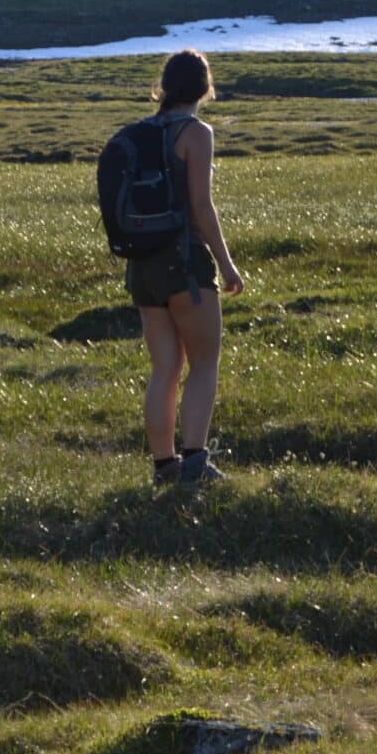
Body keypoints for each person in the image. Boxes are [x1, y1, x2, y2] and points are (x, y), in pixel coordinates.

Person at [129, 49, 245, 486]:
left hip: (143, 267)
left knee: (164, 369)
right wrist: (227, 264)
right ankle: (195, 461)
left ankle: (164, 466)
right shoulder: (195, 133)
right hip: (185, 262)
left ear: (164, 86)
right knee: (204, 362)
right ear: (204, 87)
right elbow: (201, 207)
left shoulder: (142, 132)